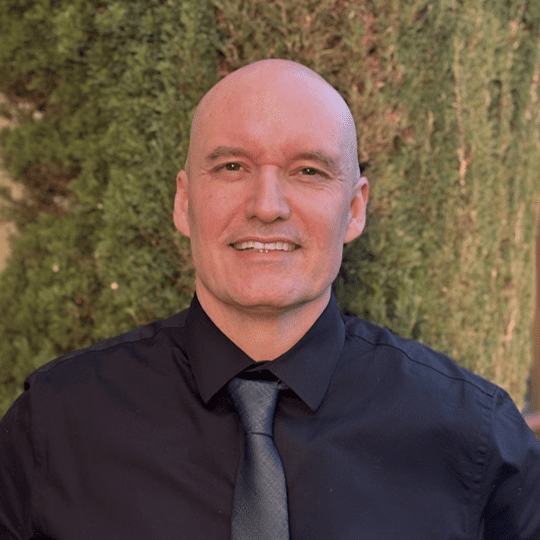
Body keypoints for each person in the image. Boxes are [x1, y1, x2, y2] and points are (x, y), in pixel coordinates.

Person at [1, 58, 539, 539]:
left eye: (308, 171)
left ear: (355, 209)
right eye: (232, 167)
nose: (267, 205)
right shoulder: (56, 425)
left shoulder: (477, 441)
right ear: (184, 202)